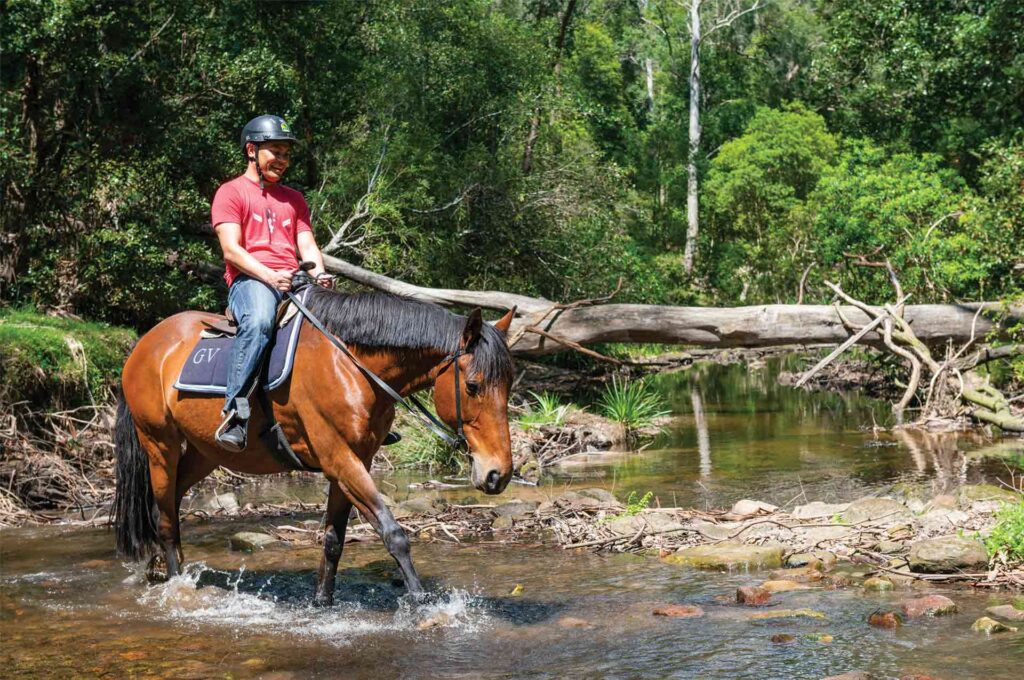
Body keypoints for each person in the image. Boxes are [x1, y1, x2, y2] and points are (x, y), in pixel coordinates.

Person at [211, 114, 326, 451]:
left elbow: (307, 245)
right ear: (252, 150)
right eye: (275, 152)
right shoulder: (230, 192)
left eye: (287, 155)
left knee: (342, 320)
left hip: (294, 280)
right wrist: (269, 275)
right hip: (250, 282)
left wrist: (319, 274)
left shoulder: (295, 199)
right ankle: (235, 413)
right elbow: (231, 250)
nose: (283, 161)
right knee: (260, 322)